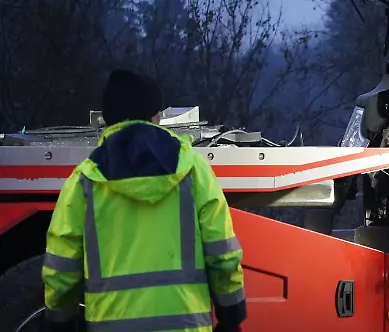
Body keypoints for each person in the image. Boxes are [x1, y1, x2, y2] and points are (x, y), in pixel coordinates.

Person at [41, 70, 247, 332]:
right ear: (154, 117)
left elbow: (61, 268)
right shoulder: (194, 170)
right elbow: (222, 254)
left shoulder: (84, 180)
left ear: (107, 119)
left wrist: (59, 321)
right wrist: (231, 315)